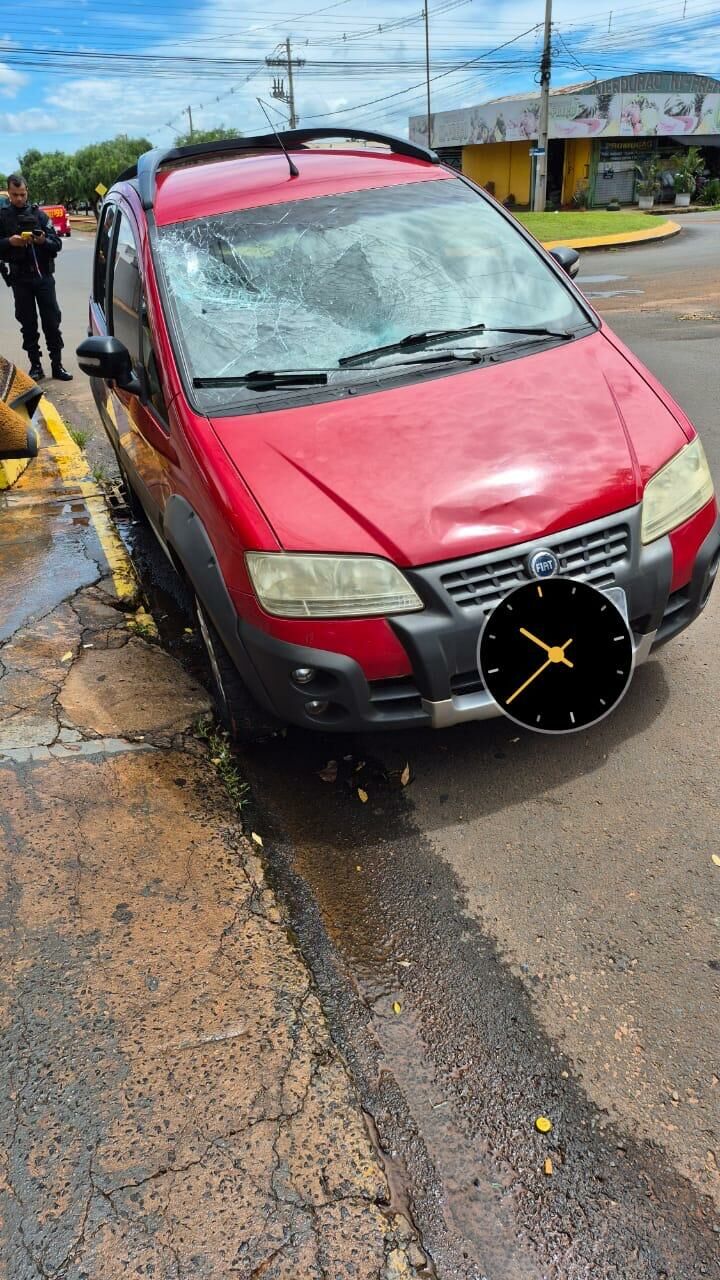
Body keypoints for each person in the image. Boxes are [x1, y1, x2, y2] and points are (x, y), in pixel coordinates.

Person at [0, 173, 72, 382]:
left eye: (22, 194)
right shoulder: (3, 217)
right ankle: (36, 366)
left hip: (43, 278)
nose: (19, 199)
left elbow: (56, 244)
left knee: (51, 322)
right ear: (9, 193)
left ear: (27, 192)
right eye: (15, 195)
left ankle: (57, 365)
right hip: (20, 279)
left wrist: (42, 241)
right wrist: (9, 242)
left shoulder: (39, 215)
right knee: (28, 324)